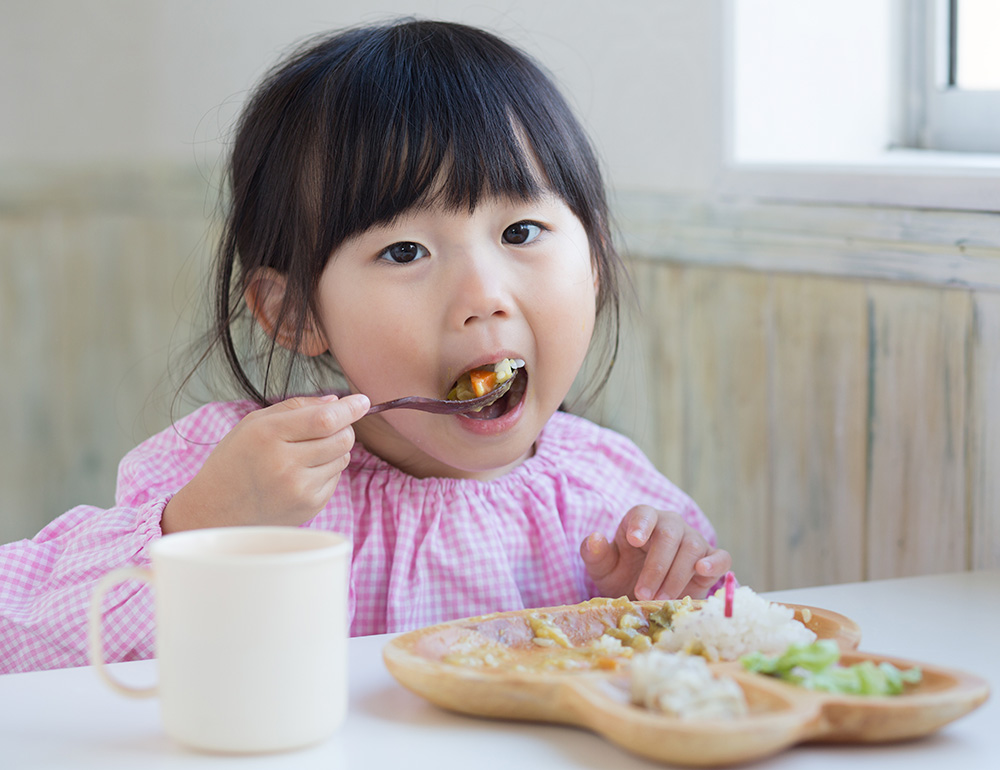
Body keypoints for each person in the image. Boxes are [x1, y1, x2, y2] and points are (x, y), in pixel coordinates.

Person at [0, 19, 731, 674]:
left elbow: (736, 660)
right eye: (406, 250)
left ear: (595, 262)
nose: (484, 295)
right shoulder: (240, 474)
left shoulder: (615, 492)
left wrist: (642, 605)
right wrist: (202, 528)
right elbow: (19, 638)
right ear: (294, 313)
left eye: (520, 234)